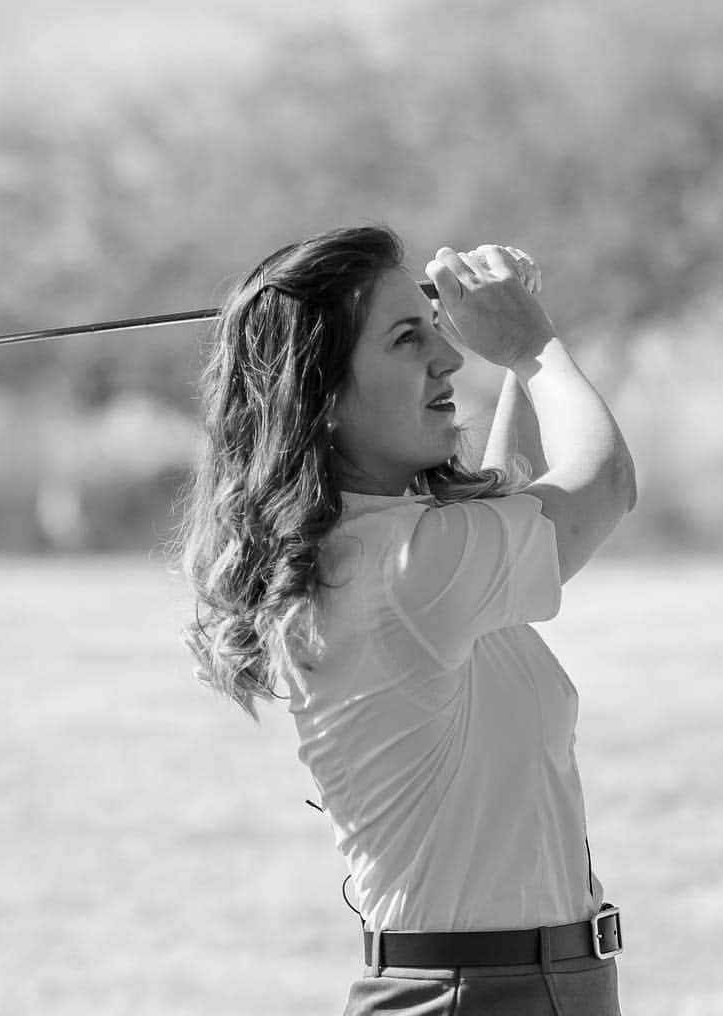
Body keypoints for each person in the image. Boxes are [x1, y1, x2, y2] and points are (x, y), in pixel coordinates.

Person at [173, 225, 637, 1015]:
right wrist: (530, 345)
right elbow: (602, 487)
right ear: (319, 399)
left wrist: (516, 358)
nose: (448, 355)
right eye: (405, 338)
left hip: (507, 987)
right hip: (485, 994)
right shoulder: (398, 566)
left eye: (436, 328)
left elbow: (513, 495)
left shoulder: (391, 549)